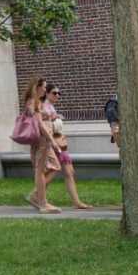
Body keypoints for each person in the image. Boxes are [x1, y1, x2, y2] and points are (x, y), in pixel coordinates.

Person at [42, 86, 92, 209]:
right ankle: (37, 196)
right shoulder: (44, 108)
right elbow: (45, 128)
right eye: (54, 93)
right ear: (47, 93)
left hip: (61, 144)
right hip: (54, 145)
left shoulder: (51, 107)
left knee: (69, 172)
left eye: (59, 93)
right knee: (51, 172)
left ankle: (76, 202)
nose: (57, 95)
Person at [22, 77, 60, 214]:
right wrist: (52, 140)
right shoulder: (34, 101)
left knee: (54, 167)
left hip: (43, 141)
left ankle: (36, 196)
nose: (45, 89)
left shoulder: (34, 101)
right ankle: (43, 203)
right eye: (43, 87)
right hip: (42, 141)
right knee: (40, 171)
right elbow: (40, 124)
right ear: (36, 87)